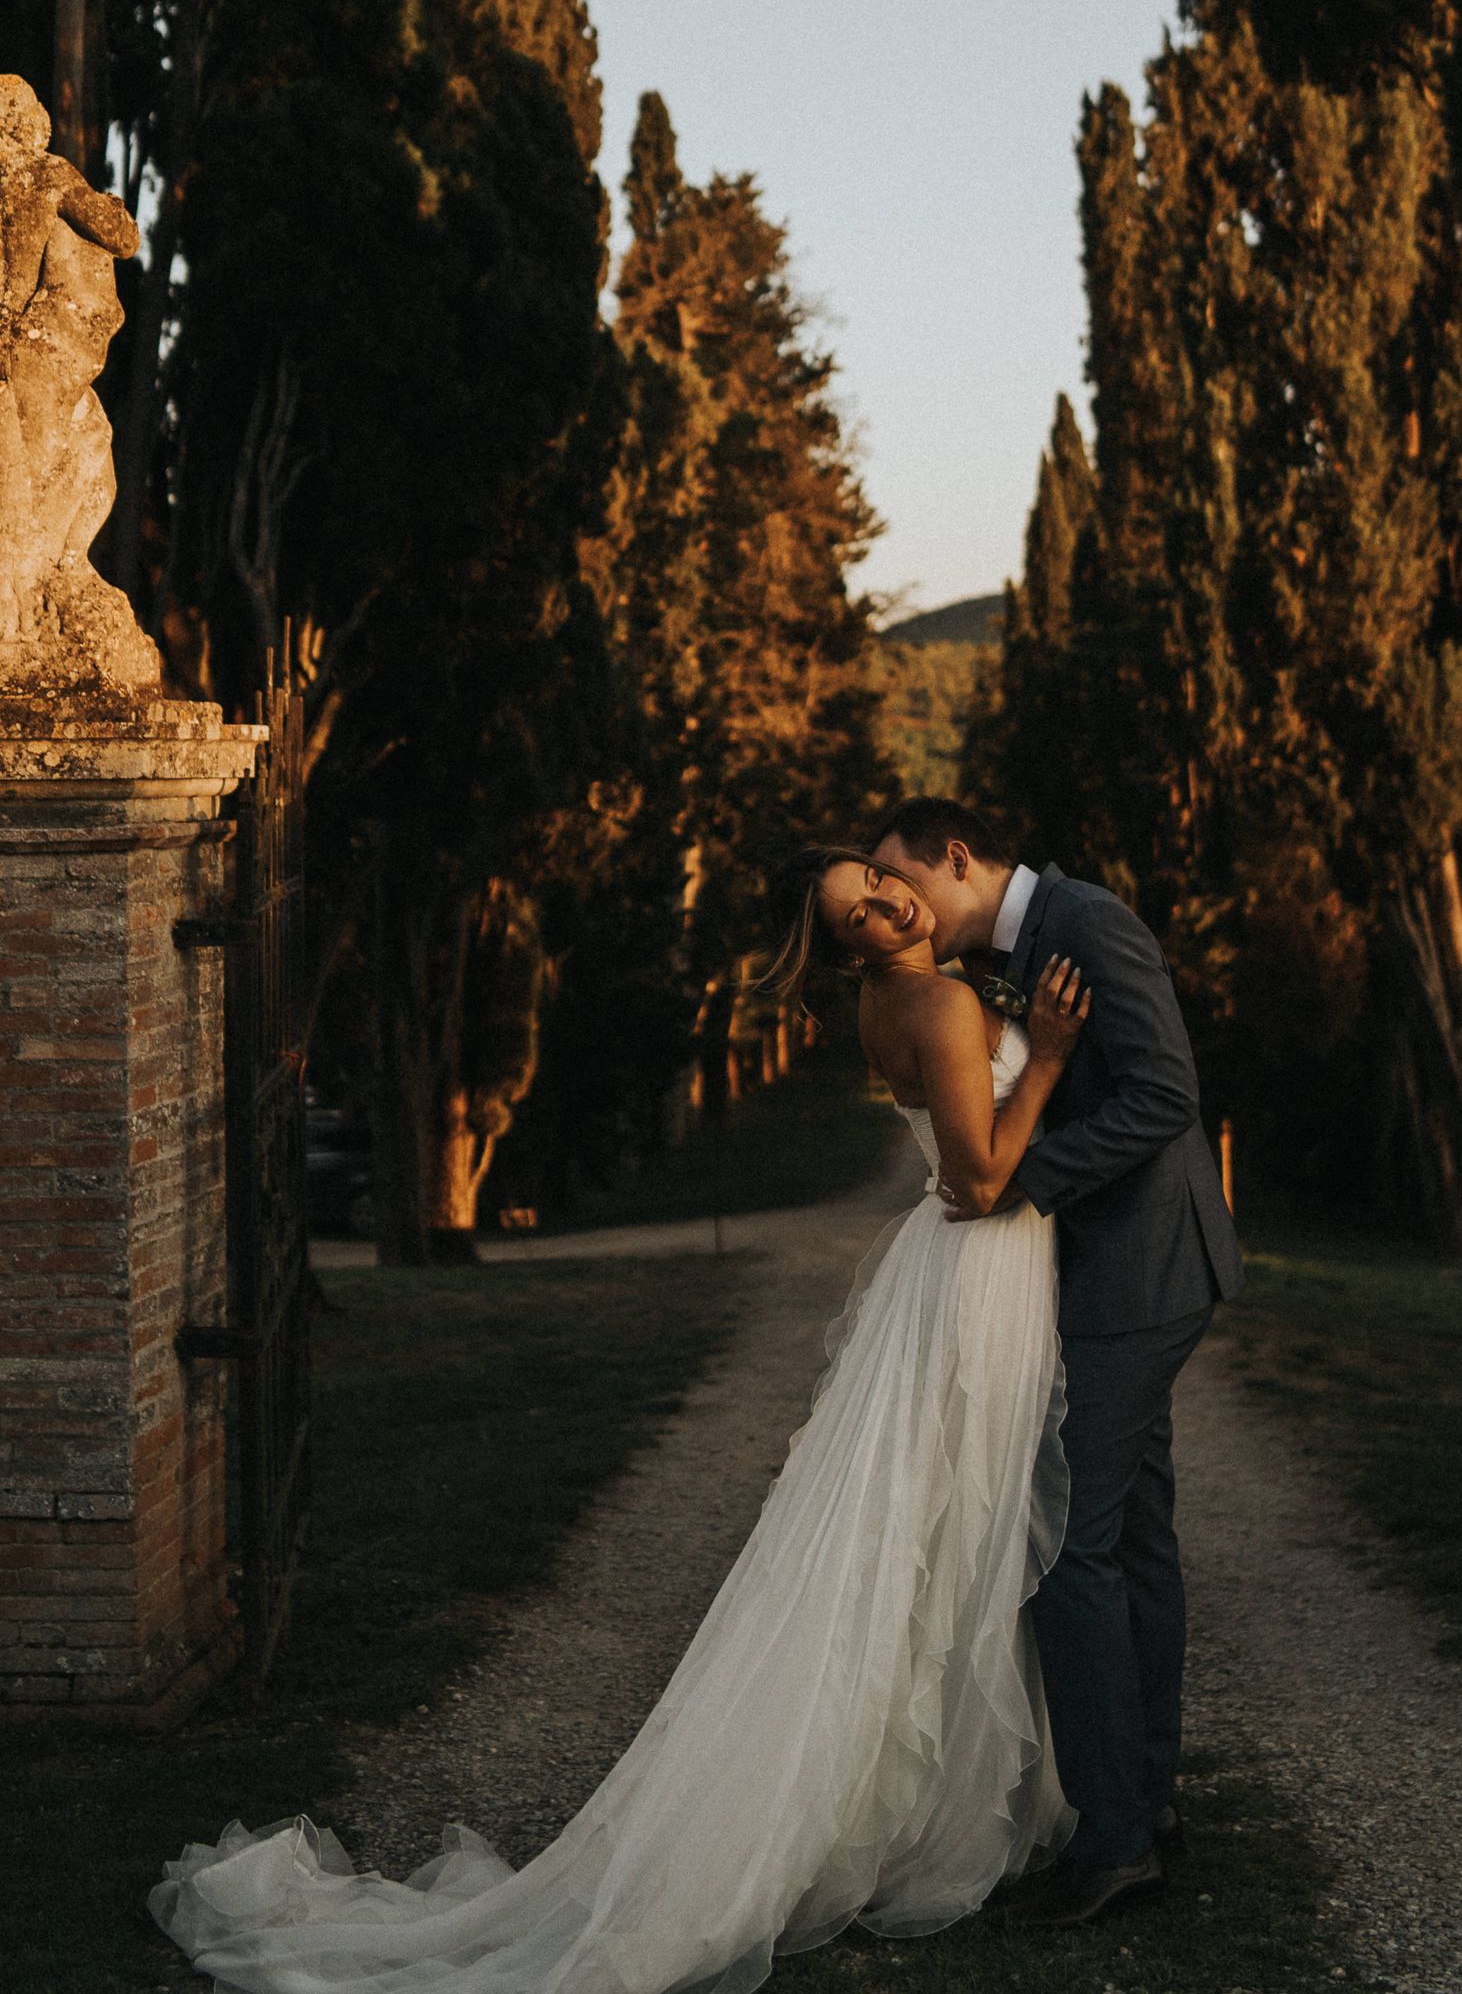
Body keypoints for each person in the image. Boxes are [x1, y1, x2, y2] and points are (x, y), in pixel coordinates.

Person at [149, 848, 1090, 1994]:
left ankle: (891, 1805)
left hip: (958, 1280)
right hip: (976, 1268)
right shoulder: (936, 1000)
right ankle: (867, 1818)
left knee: (928, 1540)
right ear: (846, 944)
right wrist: (1041, 1058)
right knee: (941, 1536)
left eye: (882, 880)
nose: (889, 902)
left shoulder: (885, 1001)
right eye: (859, 910)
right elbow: (981, 1182)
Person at [869, 795, 1244, 1930]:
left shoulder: (1083, 923)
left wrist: (1021, 1182)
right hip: (1102, 1270)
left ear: (960, 857)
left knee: (1069, 1544)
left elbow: (1168, 1094)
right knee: (1131, 1532)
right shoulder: (1011, 952)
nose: (896, 904)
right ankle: (1147, 1796)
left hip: (1137, 1270)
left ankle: (1116, 1842)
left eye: (901, 880)